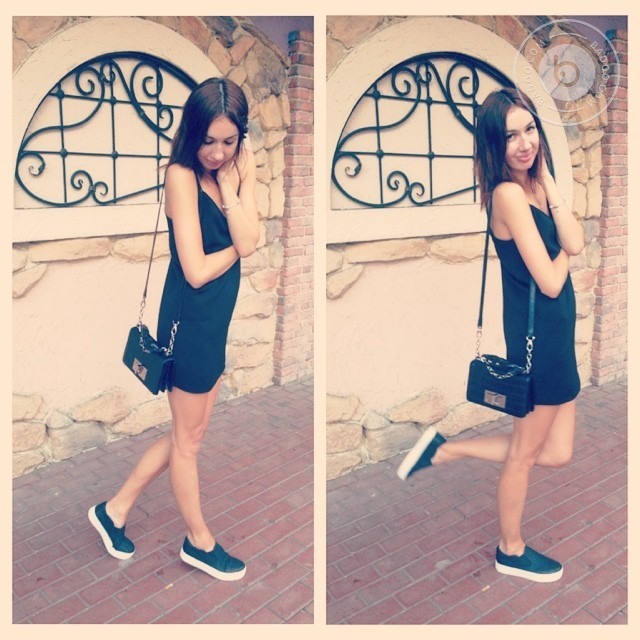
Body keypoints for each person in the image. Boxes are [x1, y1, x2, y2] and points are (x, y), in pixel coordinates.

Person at [397, 87, 584, 583]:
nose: (524, 143)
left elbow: (577, 239)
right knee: (525, 454)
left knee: (557, 452)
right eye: (510, 136)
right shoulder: (507, 195)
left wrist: (552, 191)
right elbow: (552, 278)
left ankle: (445, 450)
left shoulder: (537, 185)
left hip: (559, 333)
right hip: (539, 340)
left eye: (530, 129)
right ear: (493, 146)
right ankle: (510, 549)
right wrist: (567, 250)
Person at [89, 77, 260, 581]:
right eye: (208, 140)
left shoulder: (235, 169)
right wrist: (241, 245)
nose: (218, 152)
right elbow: (198, 269)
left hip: (214, 321)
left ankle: (114, 510)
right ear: (191, 132)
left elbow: (254, 234)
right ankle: (198, 541)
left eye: (229, 141)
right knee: (188, 441)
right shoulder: (180, 177)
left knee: (190, 433)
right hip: (188, 321)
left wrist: (232, 188)